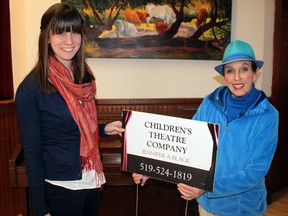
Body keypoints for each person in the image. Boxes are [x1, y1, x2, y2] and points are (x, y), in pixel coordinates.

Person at [133, 40, 279, 215]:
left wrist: (206, 187)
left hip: (243, 208)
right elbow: (186, 147)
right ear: (224, 76)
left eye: (244, 69)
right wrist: (152, 168)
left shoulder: (268, 115)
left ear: (255, 74)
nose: (237, 77)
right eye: (230, 70)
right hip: (207, 206)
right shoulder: (209, 103)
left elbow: (255, 172)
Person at [15, 3, 124, 216]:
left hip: (92, 181)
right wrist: (40, 208)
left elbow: (74, 127)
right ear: (47, 37)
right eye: (60, 33)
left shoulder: (83, 77)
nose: (69, 41)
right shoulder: (31, 88)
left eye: (75, 32)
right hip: (61, 187)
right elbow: (32, 152)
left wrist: (104, 129)